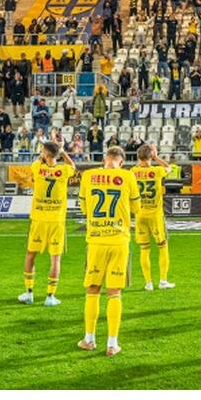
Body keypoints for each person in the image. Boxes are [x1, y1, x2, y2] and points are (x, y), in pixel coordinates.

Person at [76, 147, 140, 357]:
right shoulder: (128, 176)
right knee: (114, 293)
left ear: (105, 159)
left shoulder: (89, 176)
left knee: (93, 290)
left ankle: (89, 339)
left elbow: (84, 208)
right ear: (121, 161)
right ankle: (112, 343)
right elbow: (136, 209)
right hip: (119, 239)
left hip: (96, 240)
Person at [17, 142, 77, 307]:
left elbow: (39, 160)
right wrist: (62, 152)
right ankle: (50, 296)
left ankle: (29, 293)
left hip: (38, 218)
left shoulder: (37, 167)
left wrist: (46, 154)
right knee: (55, 259)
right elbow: (72, 165)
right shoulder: (64, 170)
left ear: (44, 154)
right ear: (57, 155)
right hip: (57, 220)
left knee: (30, 255)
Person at [131, 144, 175, 291]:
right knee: (163, 247)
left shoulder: (132, 172)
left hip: (139, 214)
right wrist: (156, 157)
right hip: (155, 214)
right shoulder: (156, 170)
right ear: (151, 156)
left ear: (138, 156)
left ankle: (148, 283)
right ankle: (163, 280)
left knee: (144, 249)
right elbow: (169, 167)